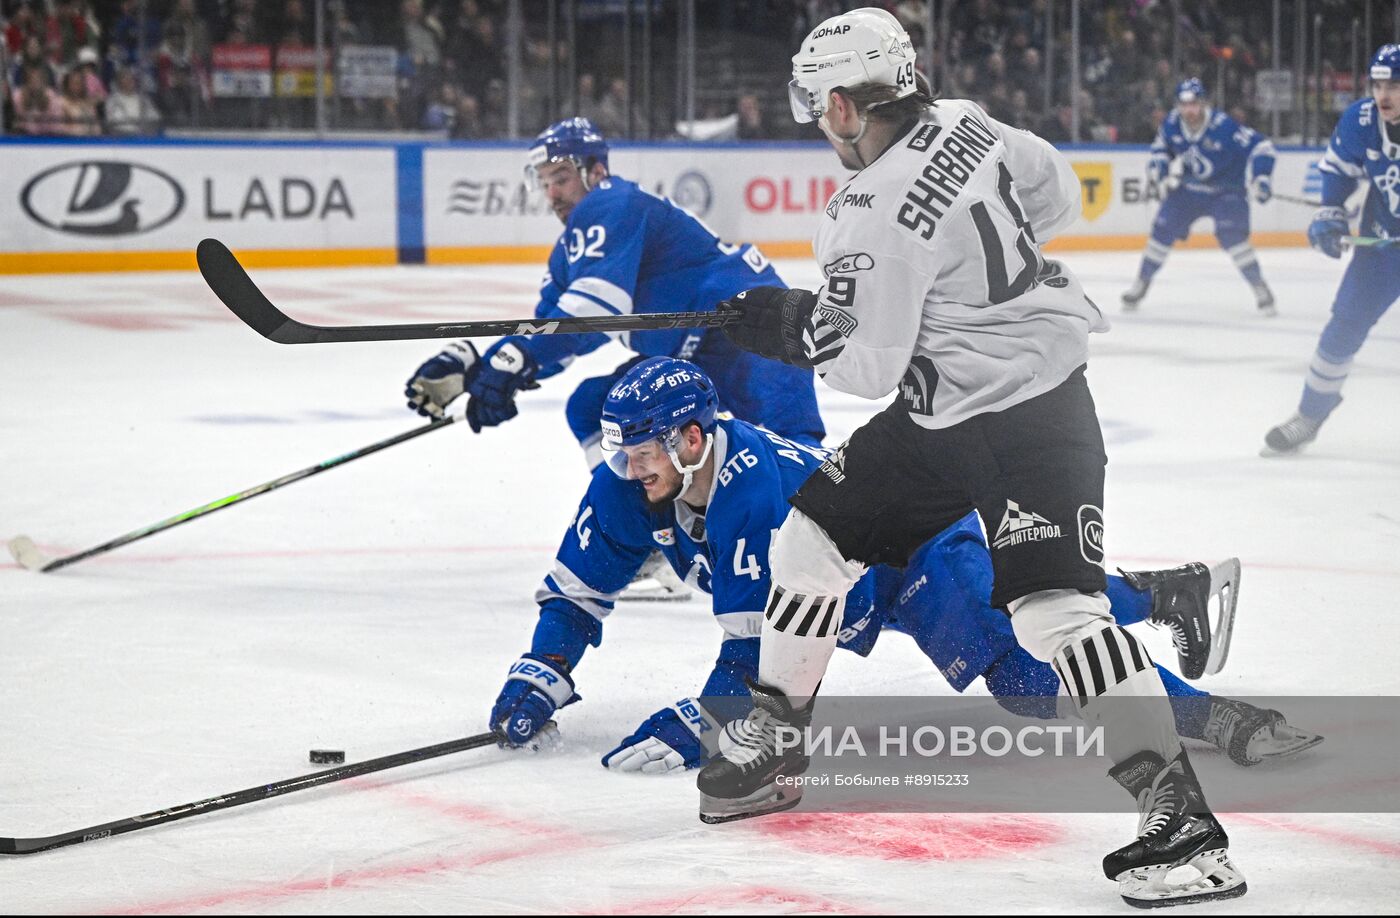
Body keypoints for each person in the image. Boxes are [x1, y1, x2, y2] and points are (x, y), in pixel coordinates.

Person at [700, 9, 1246, 907]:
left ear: (841, 104)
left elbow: (868, 367)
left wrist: (795, 325)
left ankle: (1180, 822)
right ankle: (777, 742)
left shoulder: (864, 212)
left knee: (1056, 616)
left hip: (1024, 421)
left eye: (815, 105)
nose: (818, 122)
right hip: (951, 412)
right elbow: (1059, 198)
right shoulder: (969, 120)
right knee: (814, 536)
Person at [486, 358, 1319, 777]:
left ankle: (1222, 719)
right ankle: (1168, 593)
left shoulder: (749, 492)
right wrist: (541, 672)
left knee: (1027, 673)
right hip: (854, 575)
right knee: (1040, 606)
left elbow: (757, 657)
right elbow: (576, 594)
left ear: (691, 437)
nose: (628, 473)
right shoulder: (630, 482)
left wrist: (702, 722)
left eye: (641, 457)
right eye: (623, 458)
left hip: (914, 550)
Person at [403, 117, 824, 461]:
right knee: (591, 408)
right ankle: (650, 532)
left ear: (596, 171)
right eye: (544, 182)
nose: (552, 194)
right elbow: (555, 333)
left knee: (795, 459)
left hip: (750, 336)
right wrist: (479, 366)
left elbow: (592, 311)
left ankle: (834, 552)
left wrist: (511, 364)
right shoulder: (570, 253)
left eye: (562, 177)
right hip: (694, 356)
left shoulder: (611, 203)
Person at [1262, 45, 1400, 456]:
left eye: (1394, 84)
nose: (1383, 95)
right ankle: (1310, 414)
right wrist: (1330, 214)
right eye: (1378, 84)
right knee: (1343, 327)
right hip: (1382, 246)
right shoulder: (1362, 119)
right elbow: (1340, 172)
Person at [1121, 78, 1278, 316]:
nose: (1189, 110)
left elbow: (1262, 147)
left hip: (1227, 192)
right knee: (1162, 231)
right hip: (1189, 191)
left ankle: (1259, 286)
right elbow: (1161, 149)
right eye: (1184, 105)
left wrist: (1261, 177)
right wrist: (1159, 171)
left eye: (1194, 104)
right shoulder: (1172, 124)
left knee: (1233, 238)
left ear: (1204, 104)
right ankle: (1141, 283)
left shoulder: (1224, 127)